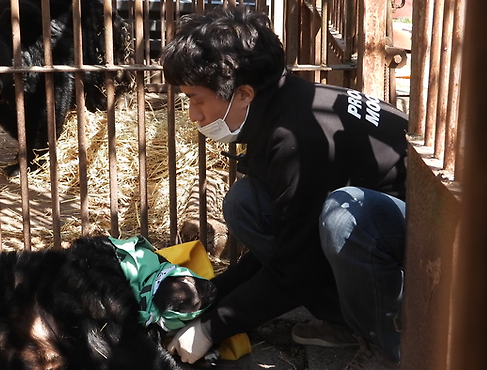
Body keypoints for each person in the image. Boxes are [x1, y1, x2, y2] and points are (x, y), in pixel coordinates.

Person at [160, 6, 407, 370]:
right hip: (383, 226)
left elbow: (297, 264)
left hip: (420, 240)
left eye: (196, 99)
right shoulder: (285, 102)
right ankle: (346, 319)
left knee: (343, 218)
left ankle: (388, 343)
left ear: (243, 93)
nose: (194, 115)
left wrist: (213, 328)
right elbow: (291, 241)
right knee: (246, 203)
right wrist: (213, 295)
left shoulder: (296, 137)